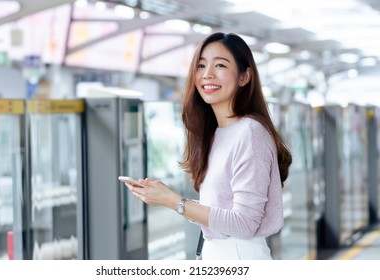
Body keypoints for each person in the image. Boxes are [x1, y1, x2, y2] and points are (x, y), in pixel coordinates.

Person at [124, 32, 292, 260]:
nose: (207, 75)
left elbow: (244, 223)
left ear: (244, 77)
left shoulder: (250, 133)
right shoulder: (216, 133)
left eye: (220, 65)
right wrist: (164, 195)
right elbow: (220, 211)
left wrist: (174, 201)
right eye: (201, 66)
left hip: (240, 255)